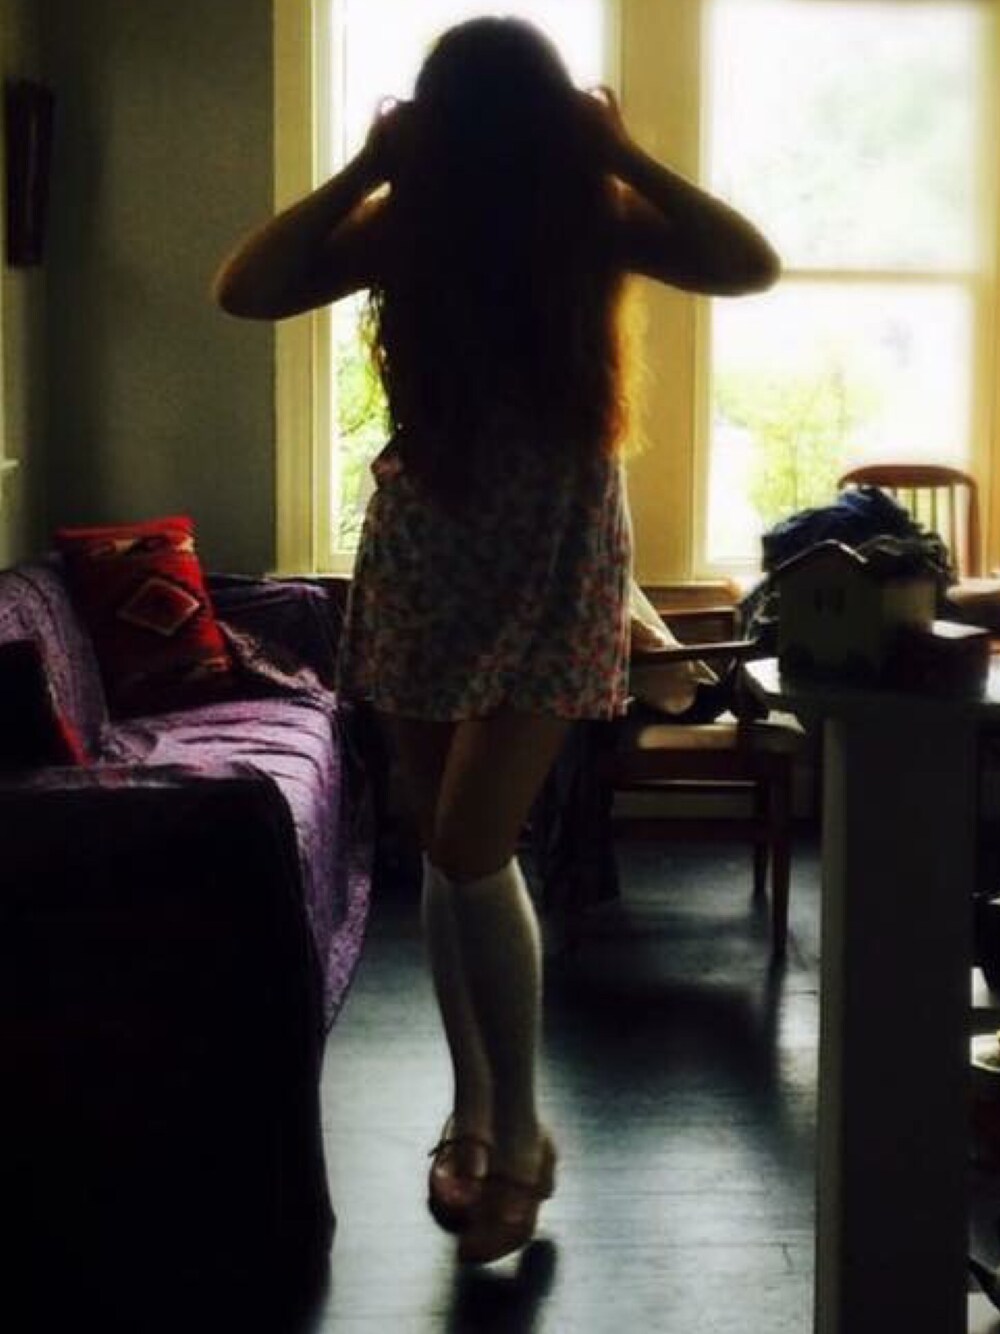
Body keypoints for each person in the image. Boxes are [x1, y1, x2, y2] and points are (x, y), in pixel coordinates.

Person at [212, 15, 780, 1265]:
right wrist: (366, 174)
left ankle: (517, 1131)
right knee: (449, 845)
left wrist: (623, 157)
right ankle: (472, 1112)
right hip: (427, 546)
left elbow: (749, 264)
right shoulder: (408, 226)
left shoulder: (592, 217)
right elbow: (244, 288)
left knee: (472, 842)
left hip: (553, 558)